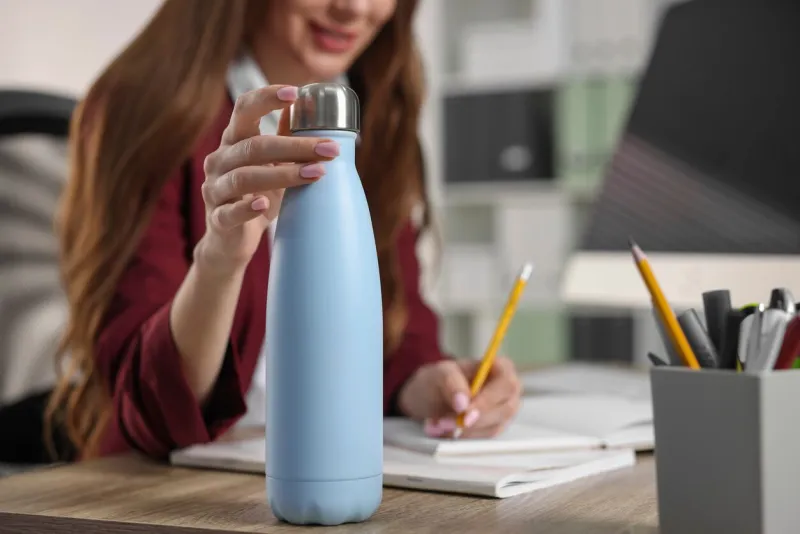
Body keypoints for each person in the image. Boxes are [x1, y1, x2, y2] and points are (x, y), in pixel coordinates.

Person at [47, 0, 522, 460]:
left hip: (330, 464)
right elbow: (147, 399)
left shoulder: (370, 109)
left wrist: (428, 386)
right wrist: (220, 260)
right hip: (173, 486)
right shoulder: (153, 110)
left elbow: (397, 322)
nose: (355, 8)